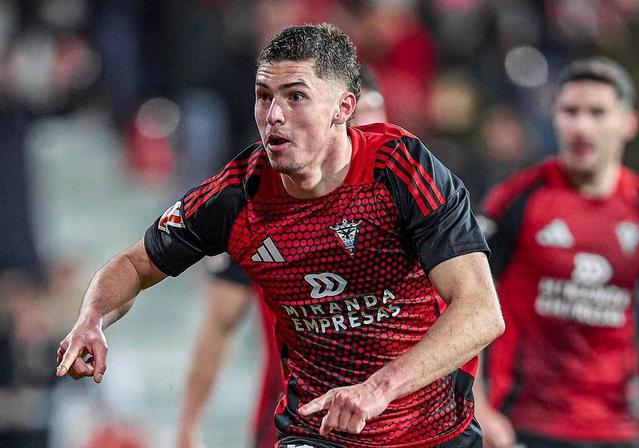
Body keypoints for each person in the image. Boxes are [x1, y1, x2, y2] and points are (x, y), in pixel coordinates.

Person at [56, 24, 504, 447]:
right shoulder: (237, 196)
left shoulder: (402, 170)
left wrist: (378, 388)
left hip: (434, 431)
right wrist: (91, 319)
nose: (273, 115)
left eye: (296, 97)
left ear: (343, 109)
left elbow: (482, 312)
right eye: (263, 96)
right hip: (317, 430)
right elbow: (135, 265)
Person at [175, 67, 388, 448]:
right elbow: (220, 321)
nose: (372, 133)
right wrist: (189, 424)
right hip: (294, 423)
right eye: (360, 121)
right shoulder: (260, 212)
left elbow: (461, 312)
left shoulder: (417, 205)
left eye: (378, 118)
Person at [474, 57, 639, 448]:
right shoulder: (517, 200)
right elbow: (464, 302)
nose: (581, 126)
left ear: (629, 123)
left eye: (597, 113)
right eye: (570, 112)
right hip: (523, 424)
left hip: (617, 427)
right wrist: (478, 408)